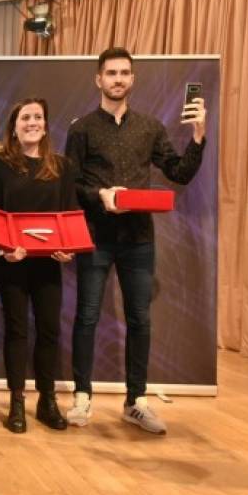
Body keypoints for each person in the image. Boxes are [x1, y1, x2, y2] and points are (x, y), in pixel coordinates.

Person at [65, 47, 207, 434]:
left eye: (124, 73)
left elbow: (178, 173)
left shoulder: (150, 127)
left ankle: (136, 402)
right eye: (111, 73)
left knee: (140, 320)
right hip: (95, 236)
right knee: (88, 316)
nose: (118, 79)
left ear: (133, 79)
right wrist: (100, 197)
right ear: (98, 79)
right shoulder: (81, 129)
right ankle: (81, 396)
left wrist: (198, 136)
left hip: (139, 239)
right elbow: (70, 185)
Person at [0, 98, 78, 434]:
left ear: (46, 124)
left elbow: (70, 216)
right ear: (14, 126)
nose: (32, 122)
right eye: (25, 117)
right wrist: (5, 248)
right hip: (11, 263)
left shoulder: (62, 167)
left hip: (49, 265)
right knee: (18, 332)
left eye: (38, 116)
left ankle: (47, 401)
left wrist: (68, 249)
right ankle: (17, 402)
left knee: (50, 331)